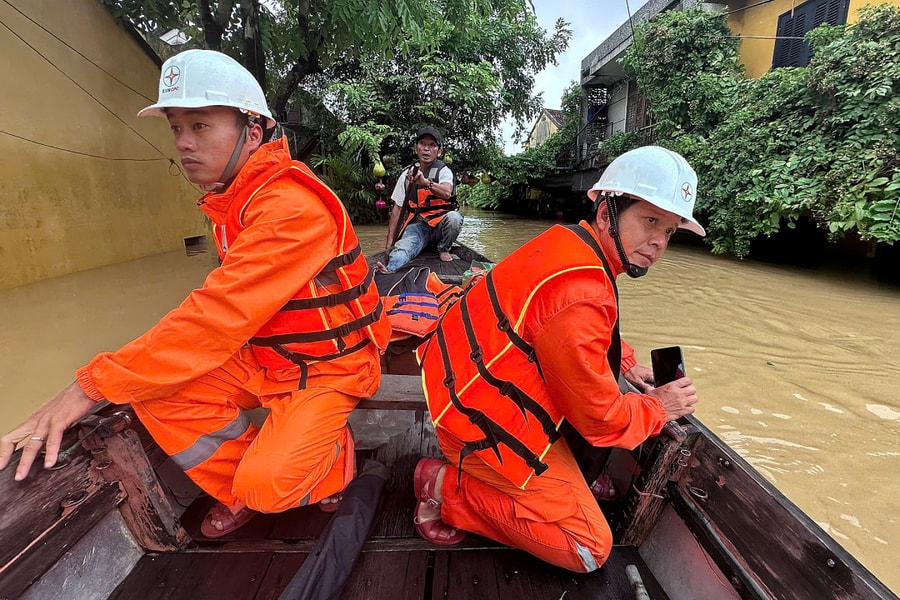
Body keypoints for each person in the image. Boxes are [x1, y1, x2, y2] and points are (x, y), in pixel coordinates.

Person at [0, 49, 390, 537]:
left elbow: (215, 317)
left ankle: (329, 459)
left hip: (329, 363)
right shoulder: (234, 198)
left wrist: (88, 386)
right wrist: (112, 380)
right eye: (176, 128)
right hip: (267, 357)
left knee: (268, 487)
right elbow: (218, 318)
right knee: (156, 393)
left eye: (200, 126)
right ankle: (243, 481)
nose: (183, 143)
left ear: (252, 132)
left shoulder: (289, 207)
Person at [410, 146, 703, 571]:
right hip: (478, 427)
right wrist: (661, 406)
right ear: (607, 214)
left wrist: (624, 364)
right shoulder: (582, 291)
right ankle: (443, 487)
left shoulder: (568, 241)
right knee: (587, 547)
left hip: (458, 395)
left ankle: (555, 484)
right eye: (650, 221)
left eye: (670, 231)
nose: (658, 242)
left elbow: (574, 334)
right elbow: (601, 420)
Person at [377, 126, 462, 272]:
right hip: (419, 226)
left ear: (439, 151)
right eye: (422, 144)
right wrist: (389, 243)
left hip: (442, 226)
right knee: (402, 249)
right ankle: (389, 270)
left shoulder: (444, 171)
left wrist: (426, 183)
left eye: (432, 145)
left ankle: (443, 249)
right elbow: (397, 209)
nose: (426, 149)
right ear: (416, 148)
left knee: (454, 218)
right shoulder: (406, 176)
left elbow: (447, 192)